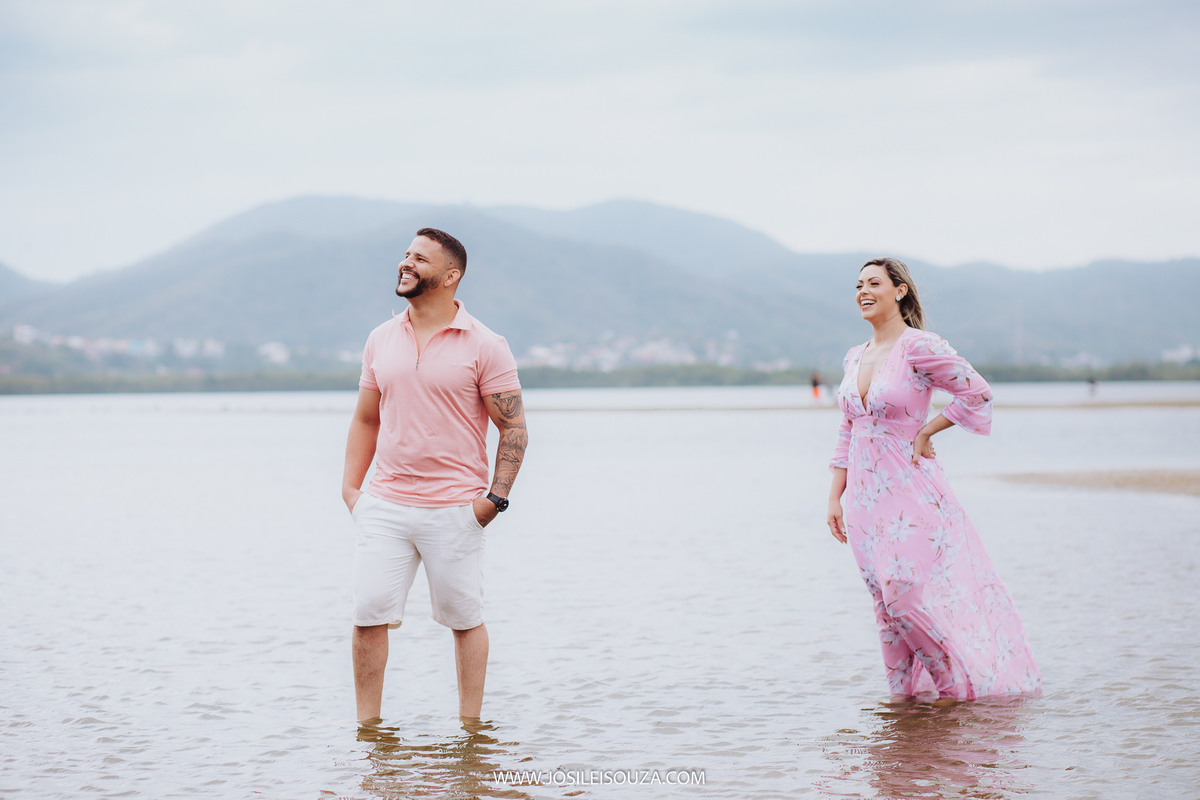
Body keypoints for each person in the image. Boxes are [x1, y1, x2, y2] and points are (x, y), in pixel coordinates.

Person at [826, 257, 1039, 701]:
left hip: (911, 489)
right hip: (864, 501)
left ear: (899, 290)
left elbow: (977, 391)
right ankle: (905, 705)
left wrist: (927, 429)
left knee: (903, 597)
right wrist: (834, 497)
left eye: (874, 283)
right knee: (885, 611)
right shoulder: (854, 356)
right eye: (858, 284)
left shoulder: (919, 346)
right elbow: (848, 429)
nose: (863, 291)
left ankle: (955, 689)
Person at [342, 227, 529, 724]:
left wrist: (493, 501)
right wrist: (352, 491)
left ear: (451, 276)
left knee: (465, 621)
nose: (405, 264)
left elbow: (514, 429)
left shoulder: (486, 344)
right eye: (405, 255)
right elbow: (366, 417)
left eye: (419, 259)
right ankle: (369, 734)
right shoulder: (380, 338)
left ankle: (471, 732)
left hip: (456, 509)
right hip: (384, 506)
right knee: (367, 618)